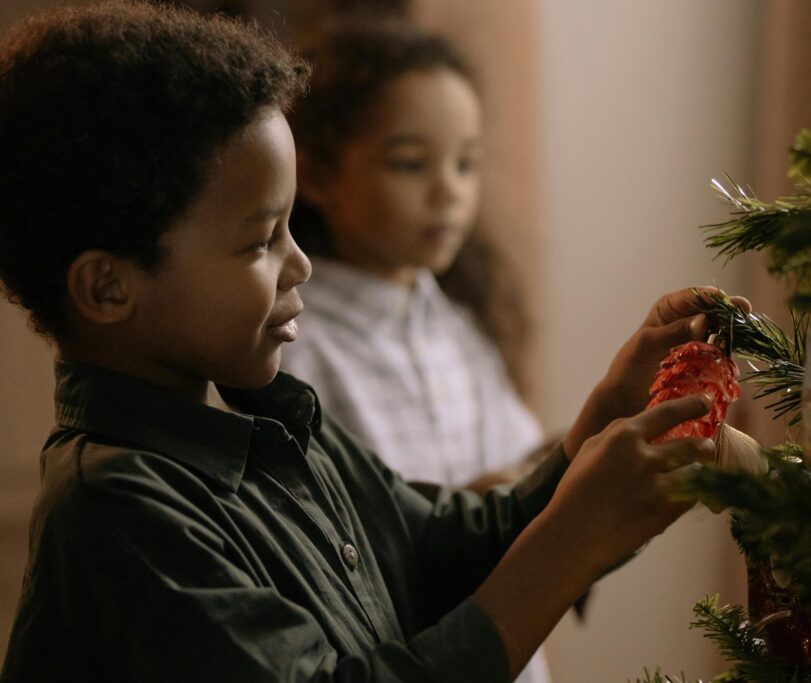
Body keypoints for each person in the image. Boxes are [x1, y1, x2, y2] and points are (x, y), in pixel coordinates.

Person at [0, 3, 749, 682]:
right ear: (106, 288)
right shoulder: (116, 512)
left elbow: (446, 551)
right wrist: (568, 549)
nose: (301, 263)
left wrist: (607, 412)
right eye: (262, 239)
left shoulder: (276, 427)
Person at [281, 21, 547, 495]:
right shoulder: (295, 347)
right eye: (410, 163)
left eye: (465, 164)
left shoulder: (459, 330)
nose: (450, 192)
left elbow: (520, 459)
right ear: (317, 175)